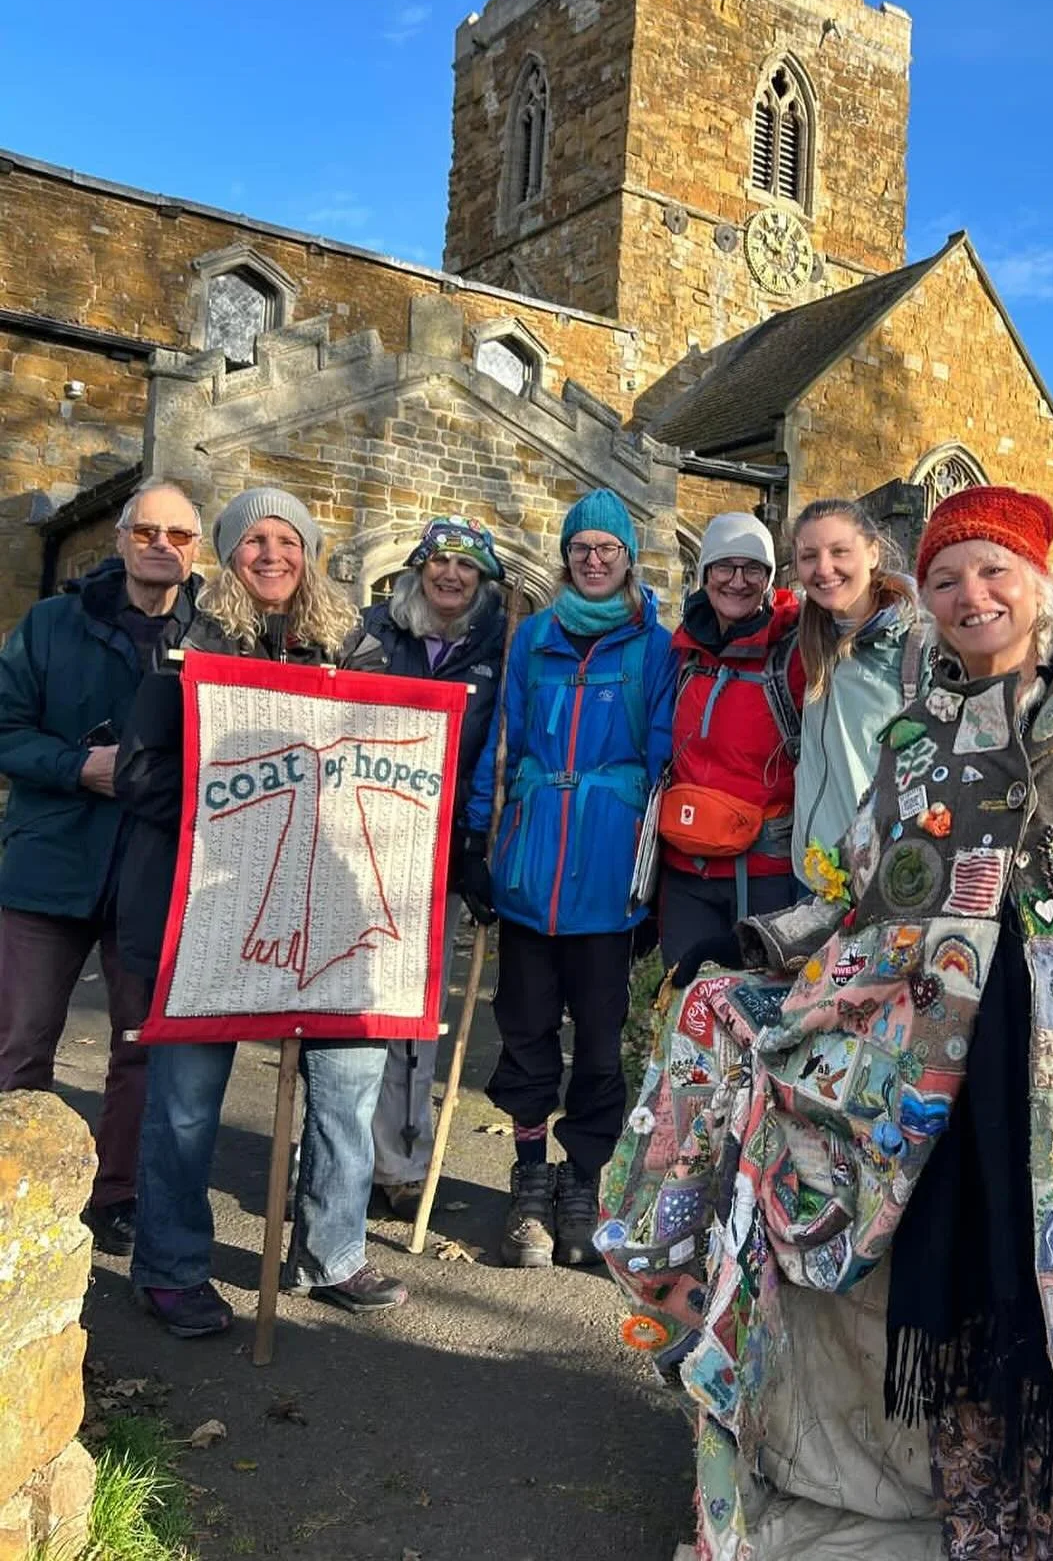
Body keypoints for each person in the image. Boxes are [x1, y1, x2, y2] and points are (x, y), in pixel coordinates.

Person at [602, 485, 1053, 1561]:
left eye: (993, 572)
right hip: (938, 1072)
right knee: (965, 1292)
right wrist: (759, 946)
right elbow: (862, 893)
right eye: (945, 578)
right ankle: (986, 1506)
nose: (969, 595)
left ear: (1041, 585)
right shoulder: (916, 736)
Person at [116, 487, 406, 1337]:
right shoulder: (187, 648)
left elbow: (395, 757)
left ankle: (332, 1252)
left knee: (349, 1085)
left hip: (332, 901)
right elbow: (140, 774)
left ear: (309, 553)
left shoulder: (361, 653)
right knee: (186, 1097)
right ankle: (169, 1267)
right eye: (253, 540)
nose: (271, 554)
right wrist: (236, 807)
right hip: (209, 902)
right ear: (231, 554)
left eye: (288, 539)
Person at [462, 488, 675, 1271]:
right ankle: (526, 1178)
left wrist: (654, 877)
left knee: (597, 1040)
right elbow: (505, 745)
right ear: (567, 556)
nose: (593, 559)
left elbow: (662, 762)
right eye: (581, 547)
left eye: (607, 548)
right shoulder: (535, 636)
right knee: (522, 1033)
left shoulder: (655, 646)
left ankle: (582, 1181)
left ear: (627, 558)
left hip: (610, 871)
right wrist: (482, 844)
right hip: (529, 863)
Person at [0, 478, 203, 1257]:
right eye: (146, 531)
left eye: (178, 536)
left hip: (152, 870)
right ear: (119, 539)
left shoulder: (211, 641)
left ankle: (118, 1195)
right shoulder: (54, 623)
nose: (161, 545)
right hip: (52, 862)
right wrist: (77, 764)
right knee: (20, 1039)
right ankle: (16, 1186)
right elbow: (5, 728)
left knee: (140, 1044)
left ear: (193, 551)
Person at [349, 515, 507, 1218]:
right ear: (418, 568)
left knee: (415, 1015)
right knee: (350, 1005)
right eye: (440, 563)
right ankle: (337, 1158)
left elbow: (495, 754)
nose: (451, 576)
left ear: (482, 580)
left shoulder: (497, 650)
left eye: (466, 568)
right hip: (361, 842)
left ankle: (401, 1162)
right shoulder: (373, 632)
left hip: (440, 851)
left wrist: (474, 849)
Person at [659, 513, 805, 971]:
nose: (737, 582)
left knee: (758, 1015)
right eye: (724, 567)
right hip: (685, 872)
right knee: (685, 1012)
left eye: (753, 569)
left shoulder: (793, 653)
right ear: (704, 575)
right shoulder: (682, 651)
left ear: (770, 577)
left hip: (764, 874)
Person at [788, 497, 924, 898]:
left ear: (873, 552)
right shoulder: (811, 638)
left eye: (839, 551)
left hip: (884, 883)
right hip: (814, 880)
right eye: (809, 556)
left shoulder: (918, 644)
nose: (823, 568)